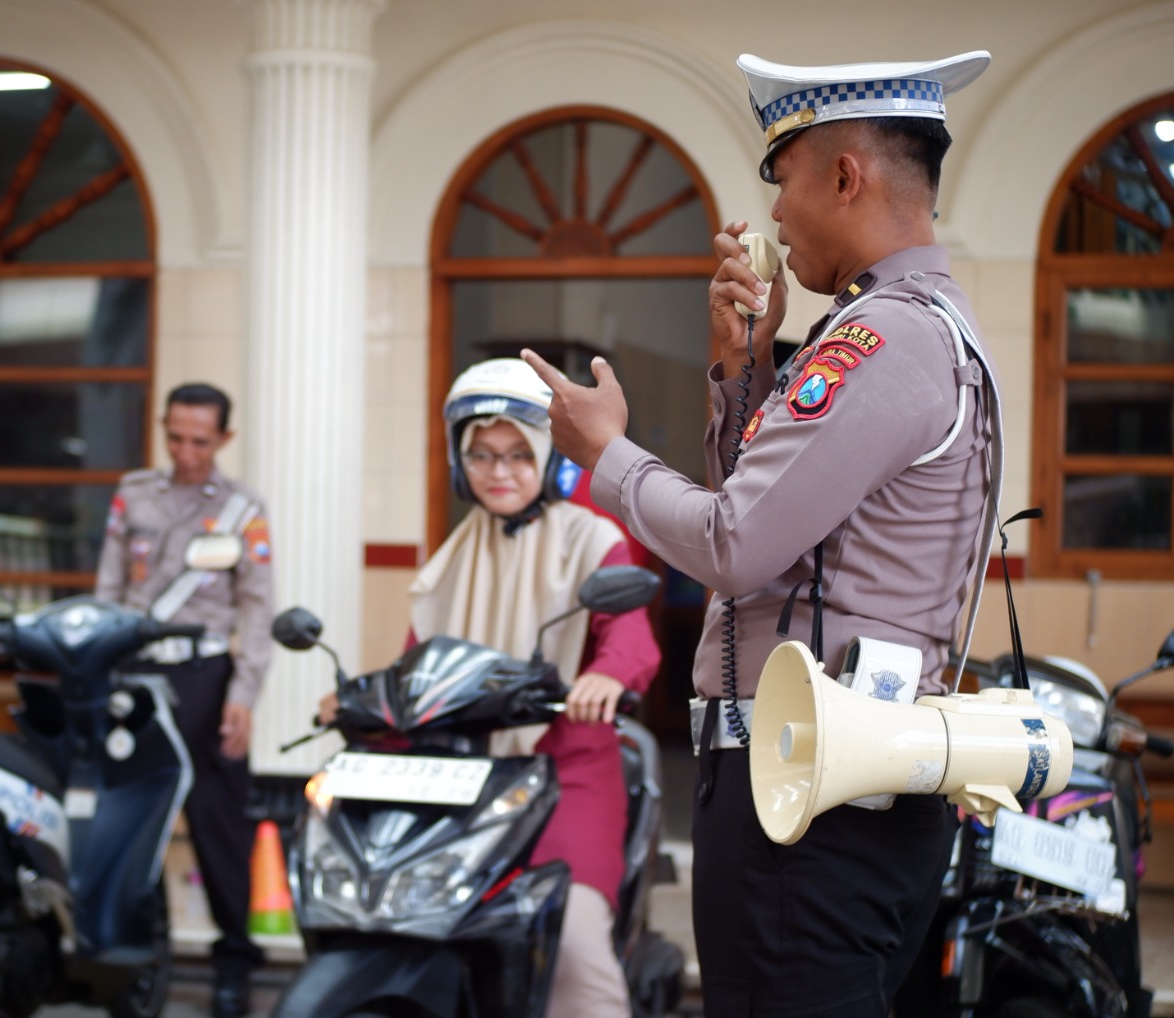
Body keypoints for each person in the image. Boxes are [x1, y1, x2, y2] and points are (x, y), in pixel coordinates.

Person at [525, 50, 998, 1017]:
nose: (774, 214)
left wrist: (606, 454)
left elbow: (735, 545)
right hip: (833, 779)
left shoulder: (882, 336)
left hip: (809, 799)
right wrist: (743, 368)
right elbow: (776, 525)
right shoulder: (909, 325)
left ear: (844, 175)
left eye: (782, 180)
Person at [320, 358, 663, 1018]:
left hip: (567, 771)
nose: (498, 472)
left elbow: (631, 638)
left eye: (516, 454)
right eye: (480, 455)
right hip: (463, 777)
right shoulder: (453, 555)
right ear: (459, 461)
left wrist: (604, 675)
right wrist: (361, 700)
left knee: (571, 941)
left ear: (546, 455)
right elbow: (416, 668)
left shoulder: (593, 539)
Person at [94, 382, 273, 1018]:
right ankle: (129, 950)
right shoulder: (134, 493)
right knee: (126, 818)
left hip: (205, 677)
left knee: (219, 824)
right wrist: (104, 672)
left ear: (224, 438)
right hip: (136, 676)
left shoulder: (242, 507)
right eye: (175, 437)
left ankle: (234, 962)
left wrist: (244, 693)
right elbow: (110, 590)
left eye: (200, 440)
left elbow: (256, 608)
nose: (186, 450)